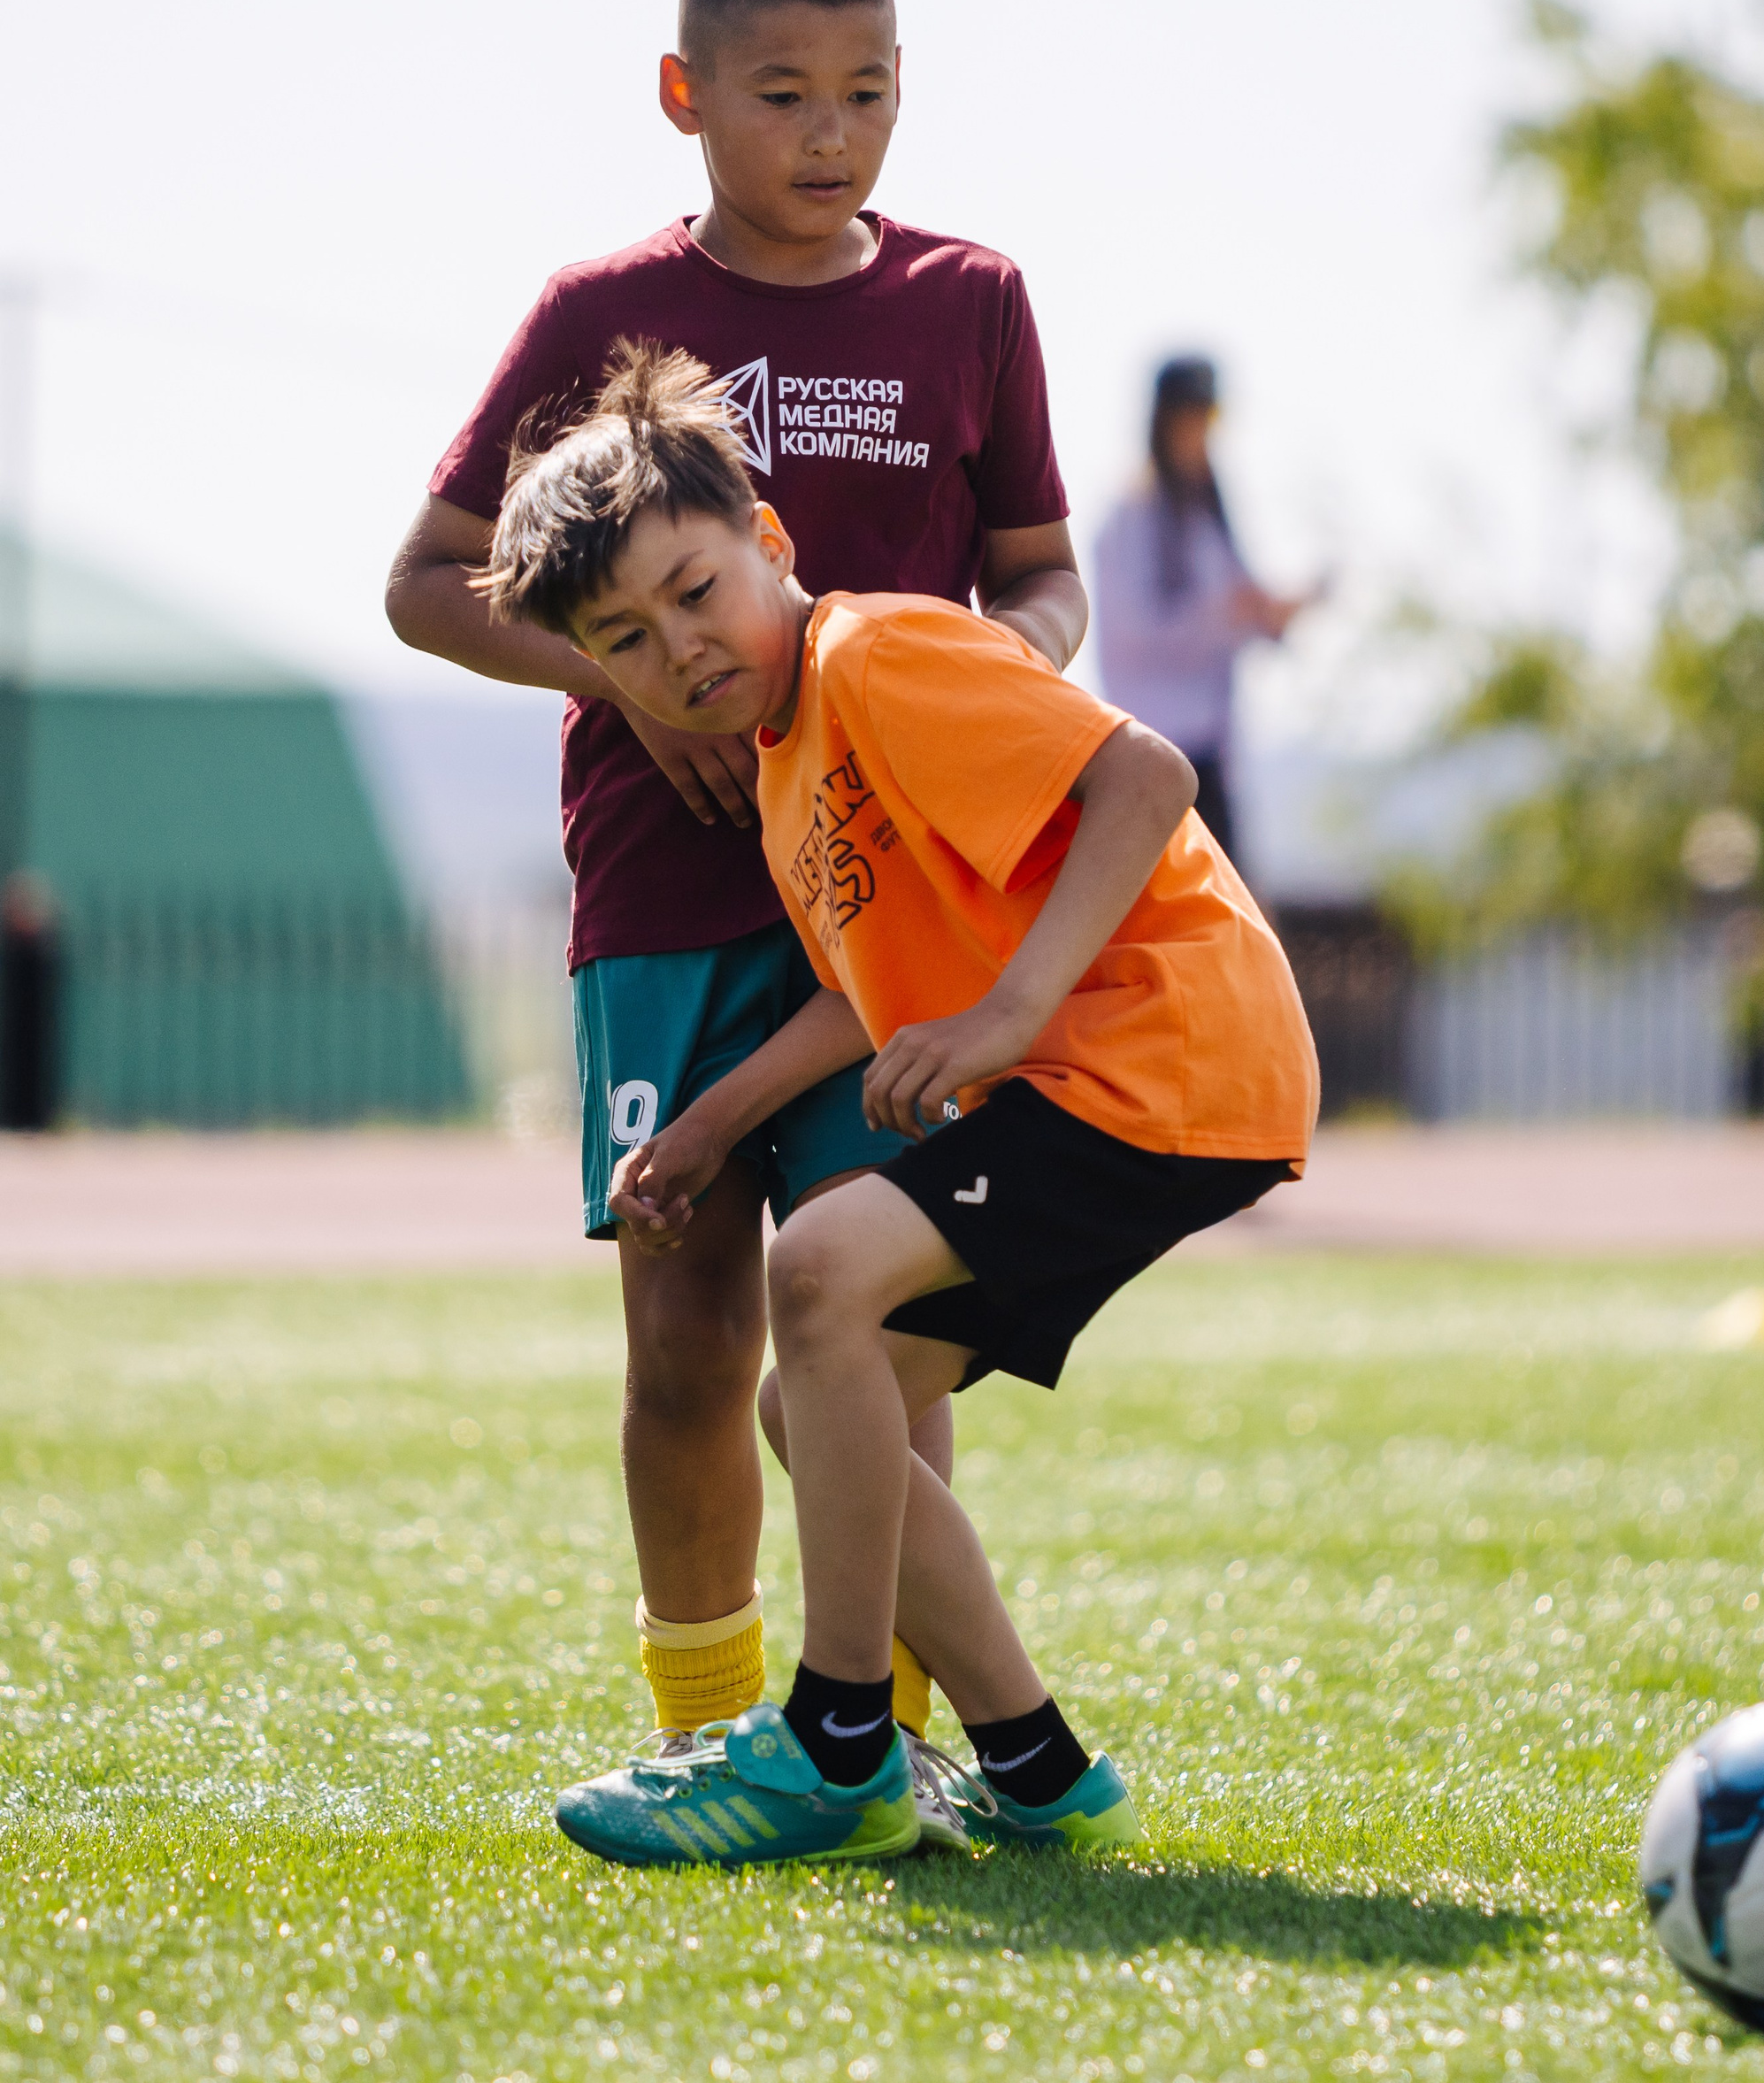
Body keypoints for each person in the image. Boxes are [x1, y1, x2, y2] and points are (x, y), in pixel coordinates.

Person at [383, 0, 1085, 1848]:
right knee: (689, 1337)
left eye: (868, 91)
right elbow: (427, 581)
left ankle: (897, 1741)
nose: (831, 131)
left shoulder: (971, 298)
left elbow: (1043, 574)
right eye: (782, 94)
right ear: (685, 96)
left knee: (867, 1325)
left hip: (893, 903)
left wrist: (985, 671)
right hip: (669, 894)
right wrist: (629, 675)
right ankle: (705, 1723)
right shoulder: (594, 314)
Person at [480, 343, 1320, 1865]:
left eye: (693, 590)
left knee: (815, 1273)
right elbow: (856, 993)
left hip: (1165, 1057)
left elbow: (1146, 776)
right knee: (812, 1399)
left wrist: (1004, 1012)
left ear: (772, 545)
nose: (678, 648)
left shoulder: (878, 658)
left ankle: (842, 1741)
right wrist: (717, 1122)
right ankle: (1040, 1765)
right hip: (1112, 1077)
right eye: (625, 639)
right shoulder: (793, 762)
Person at [1091, 357, 1311, 869]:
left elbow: (1241, 607)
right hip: (1155, 750)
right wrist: (1222, 617)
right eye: (1191, 421)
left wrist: (1269, 614)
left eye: (1208, 422)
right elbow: (1132, 636)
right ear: (1164, 424)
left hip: (1214, 750)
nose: (1200, 437)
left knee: (1235, 921)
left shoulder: (1208, 519)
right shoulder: (1130, 518)